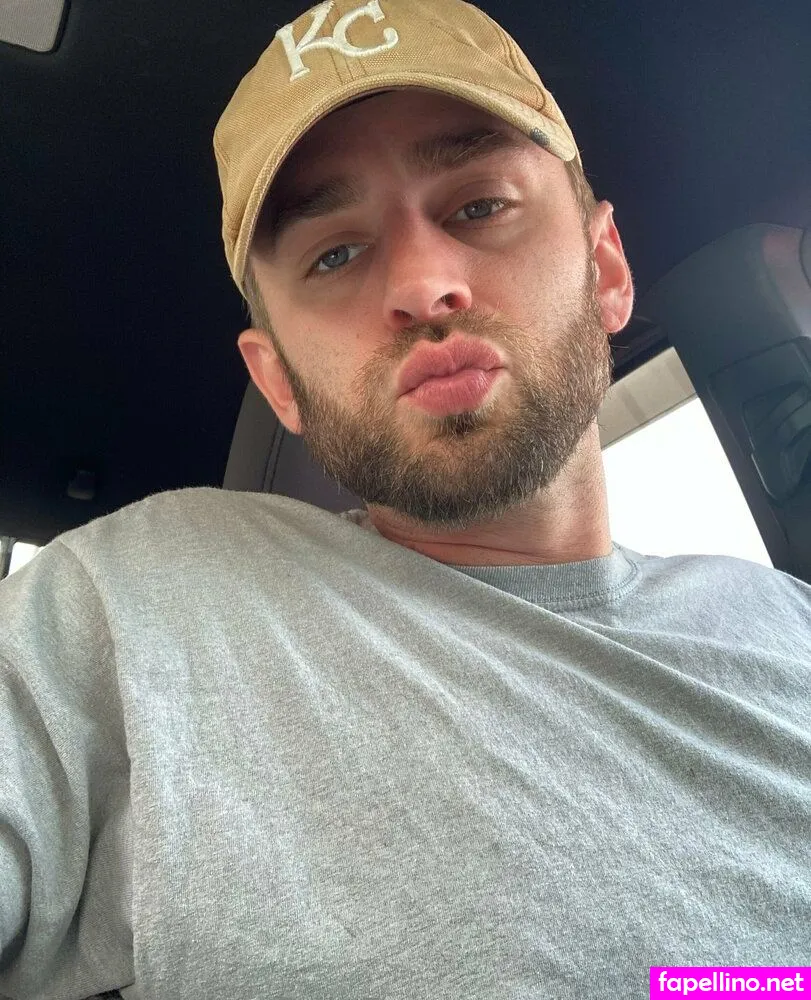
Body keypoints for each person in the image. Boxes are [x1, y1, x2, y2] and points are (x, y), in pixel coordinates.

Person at [1, 0, 809, 997]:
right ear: (279, 382)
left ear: (604, 268)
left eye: (479, 206)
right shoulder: (134, 600)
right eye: (333, 254)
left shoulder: (786, 627)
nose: (425, 285)